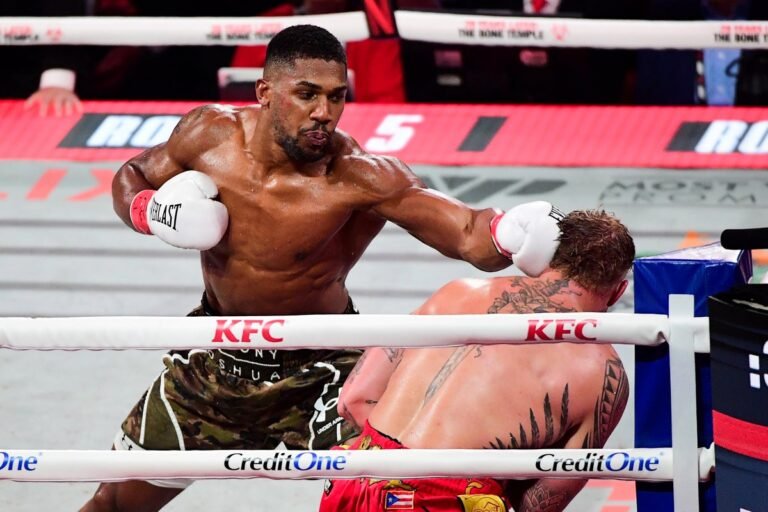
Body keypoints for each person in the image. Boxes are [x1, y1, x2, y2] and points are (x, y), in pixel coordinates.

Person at [80, 24, 562, 512]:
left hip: (324, 372)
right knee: (113, 504)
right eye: (307, 94)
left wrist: (508, 232)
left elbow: (464, 231)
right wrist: (147, 210)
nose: (323, 113)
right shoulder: (208, 135)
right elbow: (134, 173)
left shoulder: (358, 176)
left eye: (336, 97)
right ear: (266, 92)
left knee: (400, 497)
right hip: (213, 362)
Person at [322, 209, 634, 512]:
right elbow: (541, 502)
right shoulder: (602, 371)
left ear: (549, 259)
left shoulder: (455, 292)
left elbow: (353, 400)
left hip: (356, 474)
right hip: (450, 494)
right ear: (618, 291)